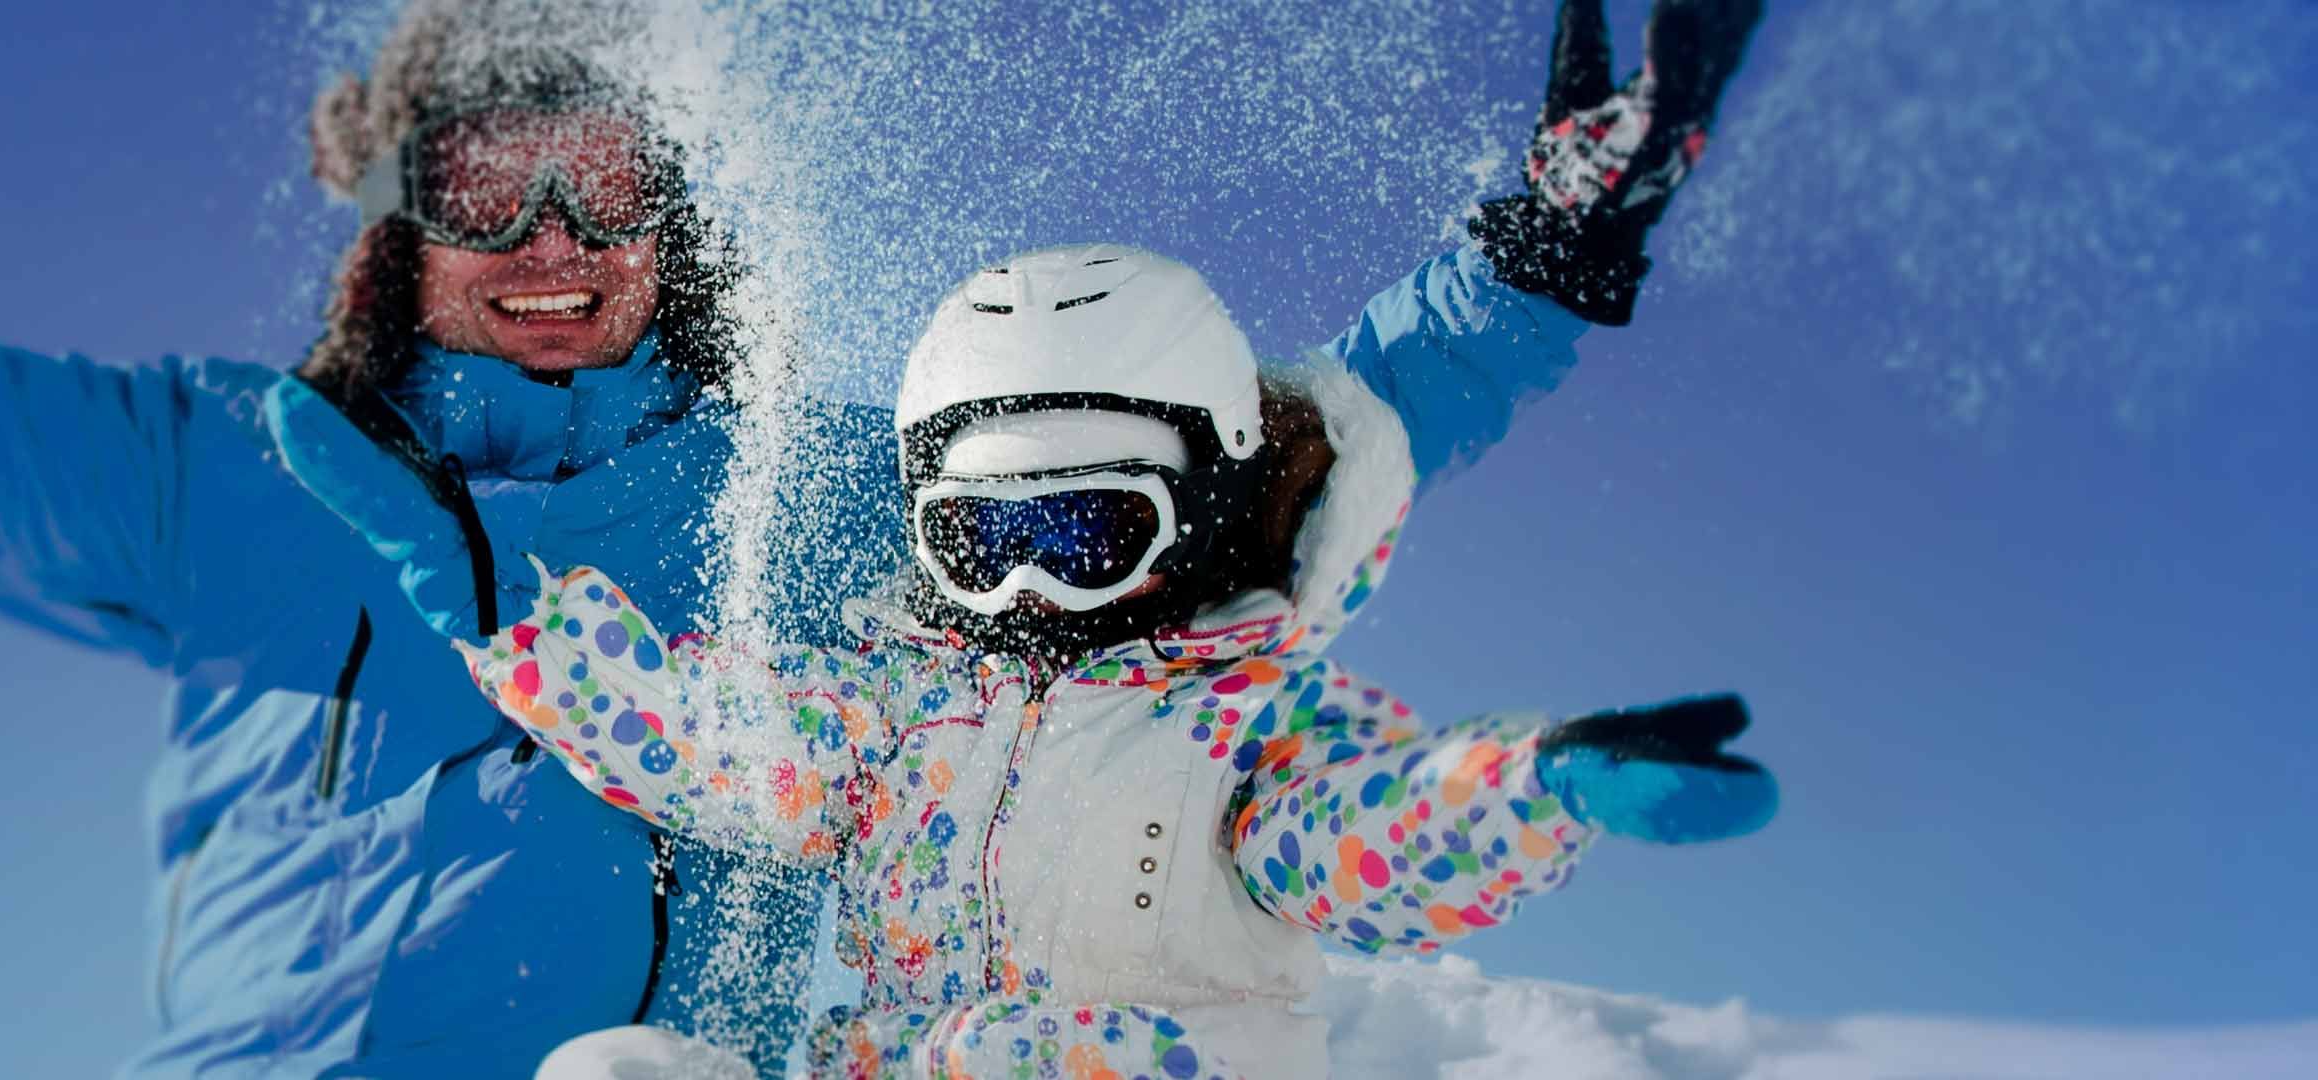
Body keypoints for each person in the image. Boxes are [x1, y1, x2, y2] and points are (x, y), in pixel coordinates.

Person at [267, 5, 1773, 1075]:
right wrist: (503, 619)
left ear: (1198, 515)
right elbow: (702, 744)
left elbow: (1379, 827)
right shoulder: (892, 704)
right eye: (981, 543)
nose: (1035, 582)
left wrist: (1540, 789)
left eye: (1090, 529)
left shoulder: (1238, 734)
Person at [0, 2, 898, 1074]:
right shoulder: (233, 463)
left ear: (672, 215)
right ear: (400, 218)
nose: (554, 240)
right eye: (486, 185)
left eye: (608, 179)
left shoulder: (802, 496)